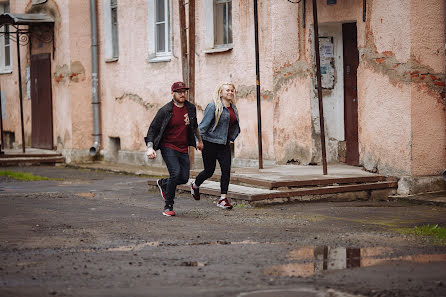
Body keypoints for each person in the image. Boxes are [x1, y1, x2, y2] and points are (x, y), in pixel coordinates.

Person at [145, 81, 203, 216]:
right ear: (173, 93)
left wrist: (199, 141)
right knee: (175, 174)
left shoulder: (190, 108)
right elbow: (152, 129)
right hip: (168, 146)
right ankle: (168, 206)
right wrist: (150, 147)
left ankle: (163, 183)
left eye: (184, 91)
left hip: (183, 147)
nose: (182, 94)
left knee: (183, 178)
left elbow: (194, 126)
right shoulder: (165, 110)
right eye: (179, 92)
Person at [190, 83, 240, 209]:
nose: (230, 92)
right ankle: (195, 184)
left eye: (232, 90)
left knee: (226, 171)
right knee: (209, 171)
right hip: (209, 142)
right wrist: (198, 141)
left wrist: (231, 137)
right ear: (221, 92)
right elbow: (203, 126)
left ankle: (223, 199)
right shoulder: (213, 106)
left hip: (224, 144)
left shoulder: (233, 108)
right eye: (227, 90)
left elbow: (234, 124)